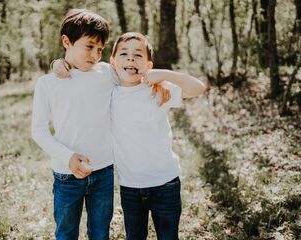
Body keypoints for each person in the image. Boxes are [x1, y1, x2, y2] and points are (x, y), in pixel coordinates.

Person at [32, 9, 169, 240]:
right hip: (67, 173)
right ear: (66, 41)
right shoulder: (48, 83)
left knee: (100, 233)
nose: (96, 54)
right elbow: (38, 131)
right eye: (89, 46)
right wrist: (67, 156)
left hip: (104, 171)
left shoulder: (107, 72)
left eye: (100, 49)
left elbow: (134, 73)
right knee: (65, 233)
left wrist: (159, 82)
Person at [53, 32, 206, 239]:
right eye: (124, 54)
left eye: (138, 55)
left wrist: (163, 75)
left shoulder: (158, 91)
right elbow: (81, 71)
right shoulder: (108, 91)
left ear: (148, 65)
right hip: (130, 187)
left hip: (166, 183)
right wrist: (58, 63)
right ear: (113, 63)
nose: (131, 59)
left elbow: (198, 88)